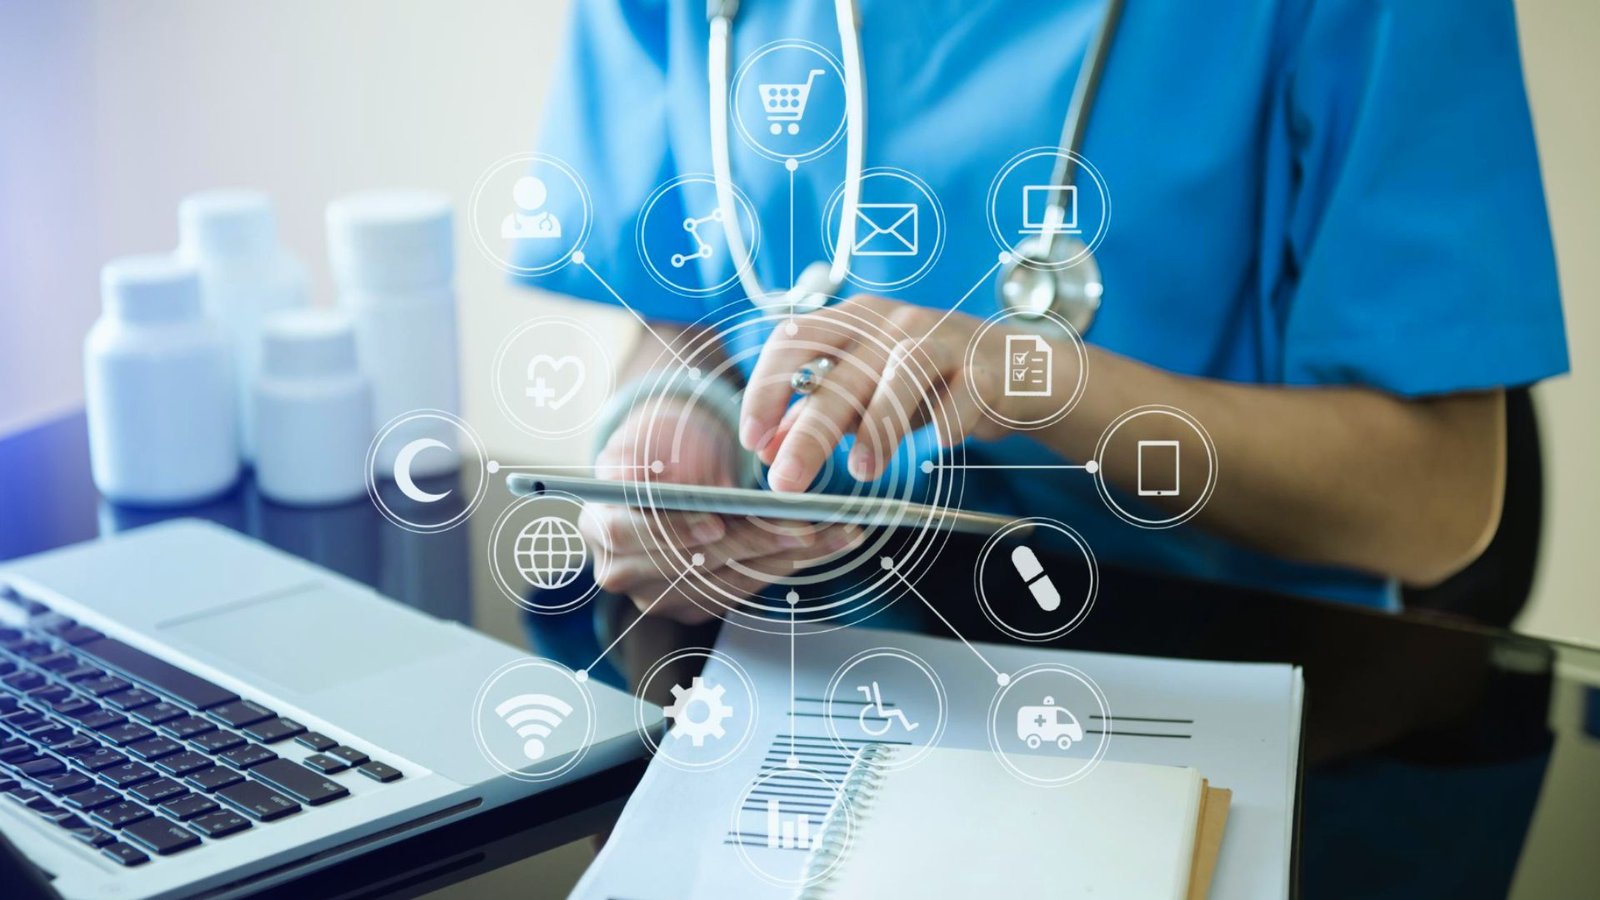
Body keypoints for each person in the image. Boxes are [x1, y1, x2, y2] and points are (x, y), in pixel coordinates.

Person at [517, 0, 1567, 624]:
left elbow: (1438, 501)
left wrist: (1042, 384)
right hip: (796, 652)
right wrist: (670, 410)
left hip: (1197, 677)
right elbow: (694, 288)